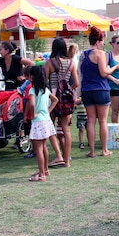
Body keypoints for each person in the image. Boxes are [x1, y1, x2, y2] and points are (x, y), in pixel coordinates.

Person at [80, 27, 119, 158]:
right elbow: (104, 73)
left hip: (87, 90)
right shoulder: (100, 54)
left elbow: (80, 72)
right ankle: (104, 150)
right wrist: (115, 67)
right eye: (103, 41)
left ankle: (92, 151)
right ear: (98, 41)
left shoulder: (83, 55)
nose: (103, 43)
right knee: (103, 121)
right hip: (101, 89)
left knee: (91, 120)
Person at [44, 38, 79, 167]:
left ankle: (58, 155)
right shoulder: (71, 63)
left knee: (50, 126)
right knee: (66, 129)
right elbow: (76, 83)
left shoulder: (49, 63)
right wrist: (68, 89)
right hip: (67, 98)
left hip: (53, 98)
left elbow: (44, 81)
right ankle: (67, 161)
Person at [27, 65, 58, 182]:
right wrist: (48, 111)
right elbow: (55, 100)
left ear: (33, 77)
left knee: (38, 149)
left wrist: (33, 113)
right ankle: (45, 170)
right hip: (46, 120)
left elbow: (32, 103)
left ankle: (41, 175)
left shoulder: (32, 90)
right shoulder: (46, 90)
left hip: (38, 121)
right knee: (44, 146)